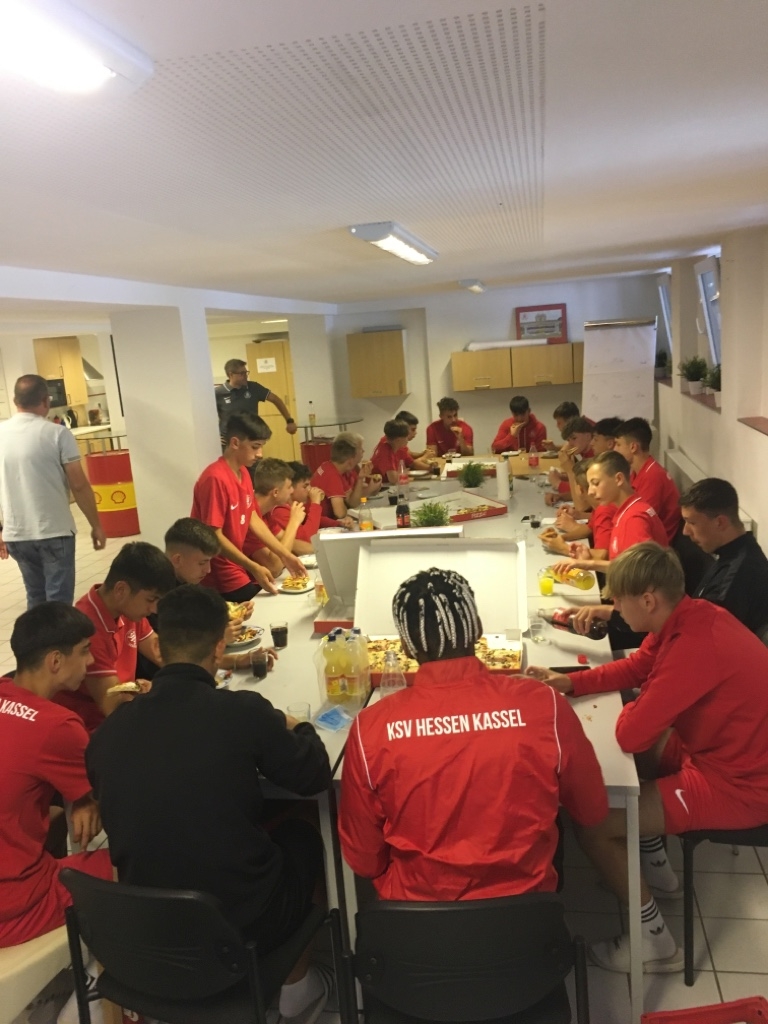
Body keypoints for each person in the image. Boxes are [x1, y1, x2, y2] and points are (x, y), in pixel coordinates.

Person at [87, 585, 334, 1020]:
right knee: (309, 825)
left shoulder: (106, 735)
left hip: (146, 925)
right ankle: (299, 990)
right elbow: (314, 775)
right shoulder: (243, 711)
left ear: (160, 647)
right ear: (220, 647)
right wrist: (297, 726)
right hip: (240, 921)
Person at [527, 542, 768, 973]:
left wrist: (646, 701)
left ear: (648, 599)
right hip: (720, 751)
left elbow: (631, 734)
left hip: (742, 786)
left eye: (619, 599)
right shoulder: (692, 614)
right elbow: (638, 667)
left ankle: (655, 943)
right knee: (635, 765)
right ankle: (657, 868)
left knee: (594, 824)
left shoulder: (695, 645)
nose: (615, 608)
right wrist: (573, 683)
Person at [338, 567, 608, 901]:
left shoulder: (370, 730)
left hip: (417, 920)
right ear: (478, 628)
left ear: (405, 648)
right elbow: (592, 810)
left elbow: (363, 860)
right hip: (527, 913)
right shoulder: (544, 705)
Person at [0, 603, 113, 948]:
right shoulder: (57, 725)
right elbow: (117, 792)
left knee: (49, 815)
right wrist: (87, 798)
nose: (91, 661)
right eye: (85, 651)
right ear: (55, 661)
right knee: (135, 862)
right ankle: (101, 975)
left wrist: (81, 798)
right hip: (15, 908)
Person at [0, 374, 106, 608]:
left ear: (15, 401)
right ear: (45, 401)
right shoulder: (57, 434)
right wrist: (96, 525)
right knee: (58, 605)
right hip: (54, 532)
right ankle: (56, 634)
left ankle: (36, 634)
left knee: (36, 598)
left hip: (17, 535)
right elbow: (79, 485)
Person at [53, 542, 176, 732]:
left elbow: (160, 652)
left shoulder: (129, 611)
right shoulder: (87, 629)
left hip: (125, 712)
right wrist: (156, 691)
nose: (154, 609)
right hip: (92, 729)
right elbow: (113, 707)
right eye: (151, 600)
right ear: (121, 590)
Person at [191, 412, 304, 600]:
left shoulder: (243, 472)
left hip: (235, 565)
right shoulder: (215, 478)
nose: (260, 454)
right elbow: (213, 534)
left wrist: (285, 554)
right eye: (255, 447)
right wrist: (253, 566)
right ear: (235, 443)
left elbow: (252, 517)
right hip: (217, 570)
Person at [552, 451, 667, 575]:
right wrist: (587, 561)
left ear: (618, 479)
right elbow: (623, 565)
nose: (590, 491)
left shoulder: (634, 520)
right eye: (589, 485)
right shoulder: (626, 509)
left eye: (596, 483)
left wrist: (583, 561)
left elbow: (637, 574)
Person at [681, 478, 768, 635]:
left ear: (720, 522)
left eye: (692, 523)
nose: (685, 531)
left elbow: (705, 637)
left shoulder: (737, 577)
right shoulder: (735, 553)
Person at [613, 418, 680, 543]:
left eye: (618, 444)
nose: (615, 450)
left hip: (654, 547)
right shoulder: (637, 472)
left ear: (633, 447)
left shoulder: (653, 476)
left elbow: (640, 520)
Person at [266, 462, 349, 554]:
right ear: (291, 488)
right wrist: (315, 504)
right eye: (305, 486)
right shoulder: (280, 512)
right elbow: (307, 539)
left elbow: (311, 519)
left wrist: (338, 524)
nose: (309, 489)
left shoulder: (295, 505)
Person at [214, 358, 297, 440]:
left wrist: (289, 421)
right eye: (242, 373)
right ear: (231, 374)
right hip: (228, 439)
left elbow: (275, 399)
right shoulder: (218, 393)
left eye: (246, 372)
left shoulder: (253, 387)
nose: (246, 376)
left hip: (252, 437)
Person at [310, 432, 380, 520]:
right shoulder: (332, 476)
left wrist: (361, 479)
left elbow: (352, 502)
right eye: (360, 448)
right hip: (320, 523)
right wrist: (369, 489)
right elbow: (340, 513)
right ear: (351, 459)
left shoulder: (331, 466)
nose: (363, 451)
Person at [370, 419, 432, 484]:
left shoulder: (398, 445)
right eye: (406, 437)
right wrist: (406, 474)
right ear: (399, 440)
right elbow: (394, 479)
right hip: (379, 486)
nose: (407, 440)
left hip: (389, 484)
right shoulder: (385, 451)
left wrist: (431, 469)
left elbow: (412, 463)